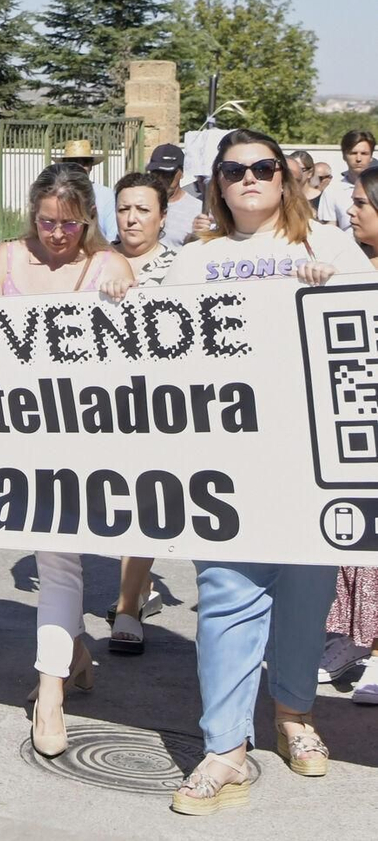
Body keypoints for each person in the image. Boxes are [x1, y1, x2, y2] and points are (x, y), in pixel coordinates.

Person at [160, 129, 367, 815]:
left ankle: (293, 713)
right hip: (229, 454)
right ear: (216, 183)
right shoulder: (196, 259)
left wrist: (332, 286)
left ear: (285, 178)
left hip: (309, 452)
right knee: (225, 587)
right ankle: (225, 746)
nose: (249, 176)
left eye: (263, 167)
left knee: (307, 588)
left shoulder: (330, 246)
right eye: (233, 169)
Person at [0, 163, 133, 758]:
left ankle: (50, 690)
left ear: (88, 218)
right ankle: (75, 652)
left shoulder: (109, 266)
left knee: (59, 558)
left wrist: (127, 301)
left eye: (69, 223)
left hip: (84, 437)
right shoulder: (7, 258)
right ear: (31, 214)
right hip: (18, 433)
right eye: (47, 222)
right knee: (55, 556)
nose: (58, 234)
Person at [98, 170, 179, 656]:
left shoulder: (184, 266)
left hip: (157, 402)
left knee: (146, 499)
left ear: (163, 217)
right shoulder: (93, 258)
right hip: (95, 403)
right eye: (125, 208)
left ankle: (129, 604)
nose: (131, 217)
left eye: (143, 209)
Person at [317, 164, 378, 704]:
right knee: (355, 540)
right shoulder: (354, 265)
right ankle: (355, 640)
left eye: (361, 203)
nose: (351, 210)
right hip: (357, 428)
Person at [55, 138, 118, 242]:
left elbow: (112, 236)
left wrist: (104, 257)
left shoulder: (106, 195)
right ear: (63, 165)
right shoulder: (54, 193)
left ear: (91, 166)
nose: (79, 166)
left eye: (84, 162)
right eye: (72, 162)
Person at [317, 129, 375, 230]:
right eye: (353, 153)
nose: (358, 158)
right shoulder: (332, 190)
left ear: (371, 157)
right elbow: (330, 230)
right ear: (344, 156)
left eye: (364, 153)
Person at [145, 143, 199, 251]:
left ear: (182, 172)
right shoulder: (138, 204)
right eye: (157, 173)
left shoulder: (198, 211)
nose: (162, 179)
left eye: (168, 173)